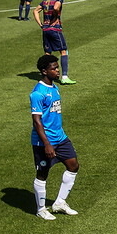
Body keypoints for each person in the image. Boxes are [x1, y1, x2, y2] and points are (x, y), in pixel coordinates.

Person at [29, 54, 80, 220]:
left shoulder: (54, 87)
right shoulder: (37, 93)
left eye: (57, 68)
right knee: (43, 173)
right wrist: (47, 144)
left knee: (73, 165)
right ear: (44, 71)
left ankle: (59, 203)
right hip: (44, 141)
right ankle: (41, 209)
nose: (57, 71)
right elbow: (37, 122)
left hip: (60, 137)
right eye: (54, 69)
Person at [33, 0, 76, 84]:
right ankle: (64, 77)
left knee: (48, 53)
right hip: (55, 29)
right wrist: (55, 18)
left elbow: (35, 11)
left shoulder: (45, 0)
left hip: (45, 30)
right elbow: (56, 8)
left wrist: (41, 24)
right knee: (63, 51)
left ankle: (45, 76)